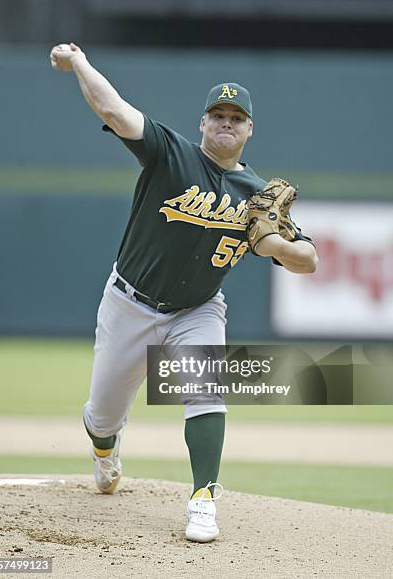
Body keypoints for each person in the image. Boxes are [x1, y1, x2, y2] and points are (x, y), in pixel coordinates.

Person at [50, 43, 318, 543]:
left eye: (237, 117)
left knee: (206, 391)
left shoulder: (258, 197)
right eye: (218, 113)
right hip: (128, 302)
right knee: (102, 417)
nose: (226, 122)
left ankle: (203, 499)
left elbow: (309, 261)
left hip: (197, 309)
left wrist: (274, 241)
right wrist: (80, 63)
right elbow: (112, 108)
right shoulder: (169, 152)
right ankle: (105, 449)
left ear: (249, 129)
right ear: (202, 122)